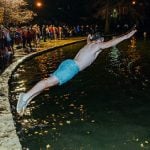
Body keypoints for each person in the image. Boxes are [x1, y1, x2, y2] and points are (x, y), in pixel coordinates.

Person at [17, 28, 137, 116]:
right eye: (102, 40)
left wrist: (89, 37)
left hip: (69, 63)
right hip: (72, 68)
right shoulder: (97, 45)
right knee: (48, 83)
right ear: (100, 40)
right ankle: (25, 96)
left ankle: (28, 99)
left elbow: (89, 39)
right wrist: (126, 36)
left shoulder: (90, 44)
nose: (103, 42)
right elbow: (112, 43)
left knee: (50, 83)